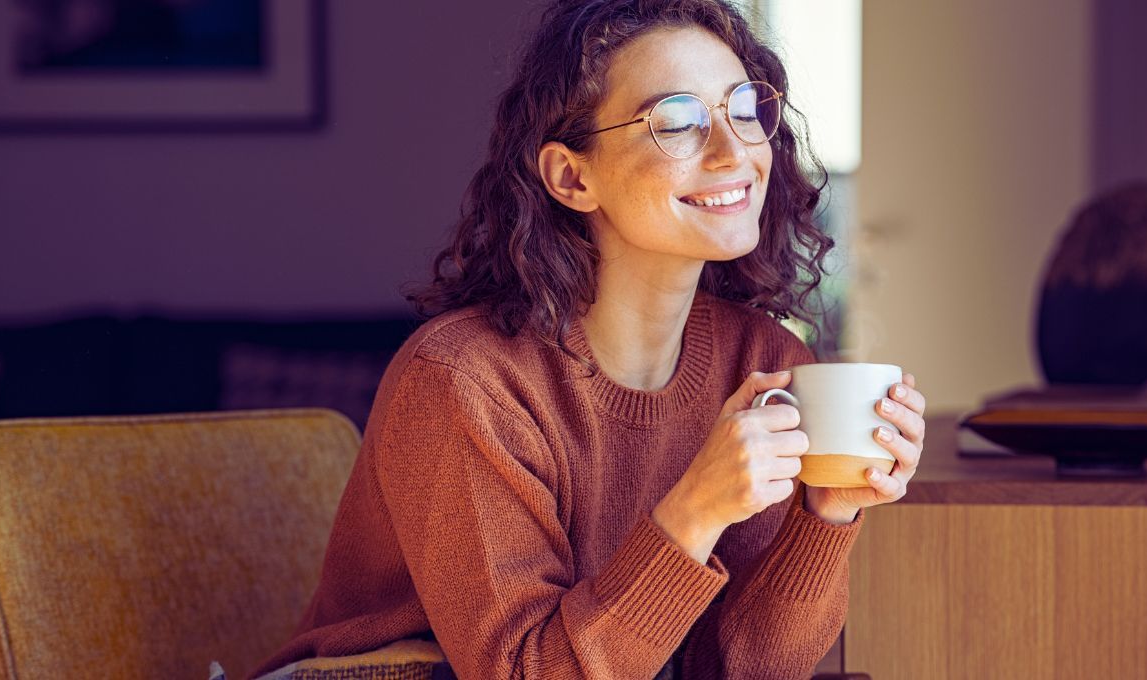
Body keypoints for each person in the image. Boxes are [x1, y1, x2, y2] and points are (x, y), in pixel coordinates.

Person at [252, 1, 927, 678]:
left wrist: (825, 515)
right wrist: (694, 510)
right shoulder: (463, 380)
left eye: (744, 107)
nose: (734, 152)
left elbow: (739, 668)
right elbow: (524, 672)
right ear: (573, 177)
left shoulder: (764, 363)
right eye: (678, 122)